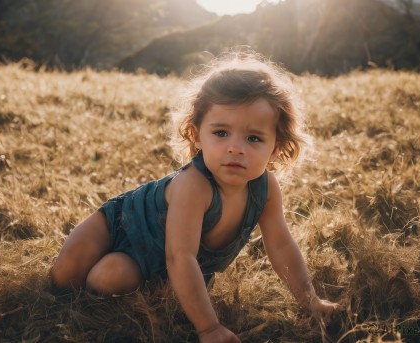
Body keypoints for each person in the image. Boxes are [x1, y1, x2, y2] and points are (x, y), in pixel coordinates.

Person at [49, 50, 340, 342]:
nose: (235, 148)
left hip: (159, 262)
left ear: (275, 147)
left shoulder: (265, 189)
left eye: (254, 138)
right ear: (197, 134)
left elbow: (280, 245)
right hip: (122, 223)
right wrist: (209, 328)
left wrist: (310, 300)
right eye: (221, 133)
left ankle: (139, 291)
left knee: (106, 278)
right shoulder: (194, 185)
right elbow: (181, 256)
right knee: (64, 276)